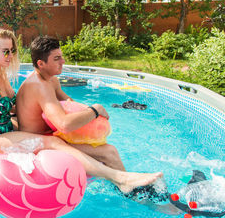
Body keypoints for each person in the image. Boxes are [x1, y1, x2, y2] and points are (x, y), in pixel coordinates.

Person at [0, 27, 161, 194]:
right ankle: (120, 178)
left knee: (96, 148)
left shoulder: (2, 77)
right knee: (54, 143)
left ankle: (130, 188)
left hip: (7, 131)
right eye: (5, 51)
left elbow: (8, 109)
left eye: (13, 51)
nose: (11, 56)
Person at [16, 35, 164, 193]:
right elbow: (64, 124)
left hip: (51, 137)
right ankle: (133, 191)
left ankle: (129, 185)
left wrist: (91, 122)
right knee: (109, 153)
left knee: (106, 148)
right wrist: (95, 110)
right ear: (41, 63)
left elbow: (71, 103)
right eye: (57, 58)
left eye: (62, 56)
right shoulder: (39, 86)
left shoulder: (51, 81)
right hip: (37, 144)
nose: (63, 61)